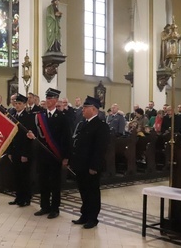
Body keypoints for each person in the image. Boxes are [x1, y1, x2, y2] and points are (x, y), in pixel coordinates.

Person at [27, 88, 72, 219]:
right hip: (42, 155)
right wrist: (31, 134)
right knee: (43, 181)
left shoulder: (63, 117)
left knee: (55, 183)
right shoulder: (40, 116)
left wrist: (66, 157)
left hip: (56, 156)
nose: (48, 101)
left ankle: (55, 208)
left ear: (56, 100)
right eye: (47, 98)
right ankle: (44, 206)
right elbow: (36, 133)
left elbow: (67, 138)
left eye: (51, 98)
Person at [70, 96, 109, 229]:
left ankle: (93, 218)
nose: (82, 110)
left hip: (91, 166)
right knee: (83, 191)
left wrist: (94, 166)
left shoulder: (101, 126)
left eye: (85, 108)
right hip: (81, 165)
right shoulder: (83, 123)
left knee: (92, 192)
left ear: (93, 109)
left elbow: (100, 148)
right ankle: (84, 215)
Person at [7, 94, 35, 207]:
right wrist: (9, 151)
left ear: (24, 104)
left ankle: (26, 198)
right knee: (17, 175)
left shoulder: (28, 117)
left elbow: (28, 138)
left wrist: (25, 154)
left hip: (23, 151)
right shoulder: (13, 116)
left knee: (25, 176)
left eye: (20, 104)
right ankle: (18, 197)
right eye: (16, 103)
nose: (17, 105)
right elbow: (9, 135)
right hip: (14, 150)